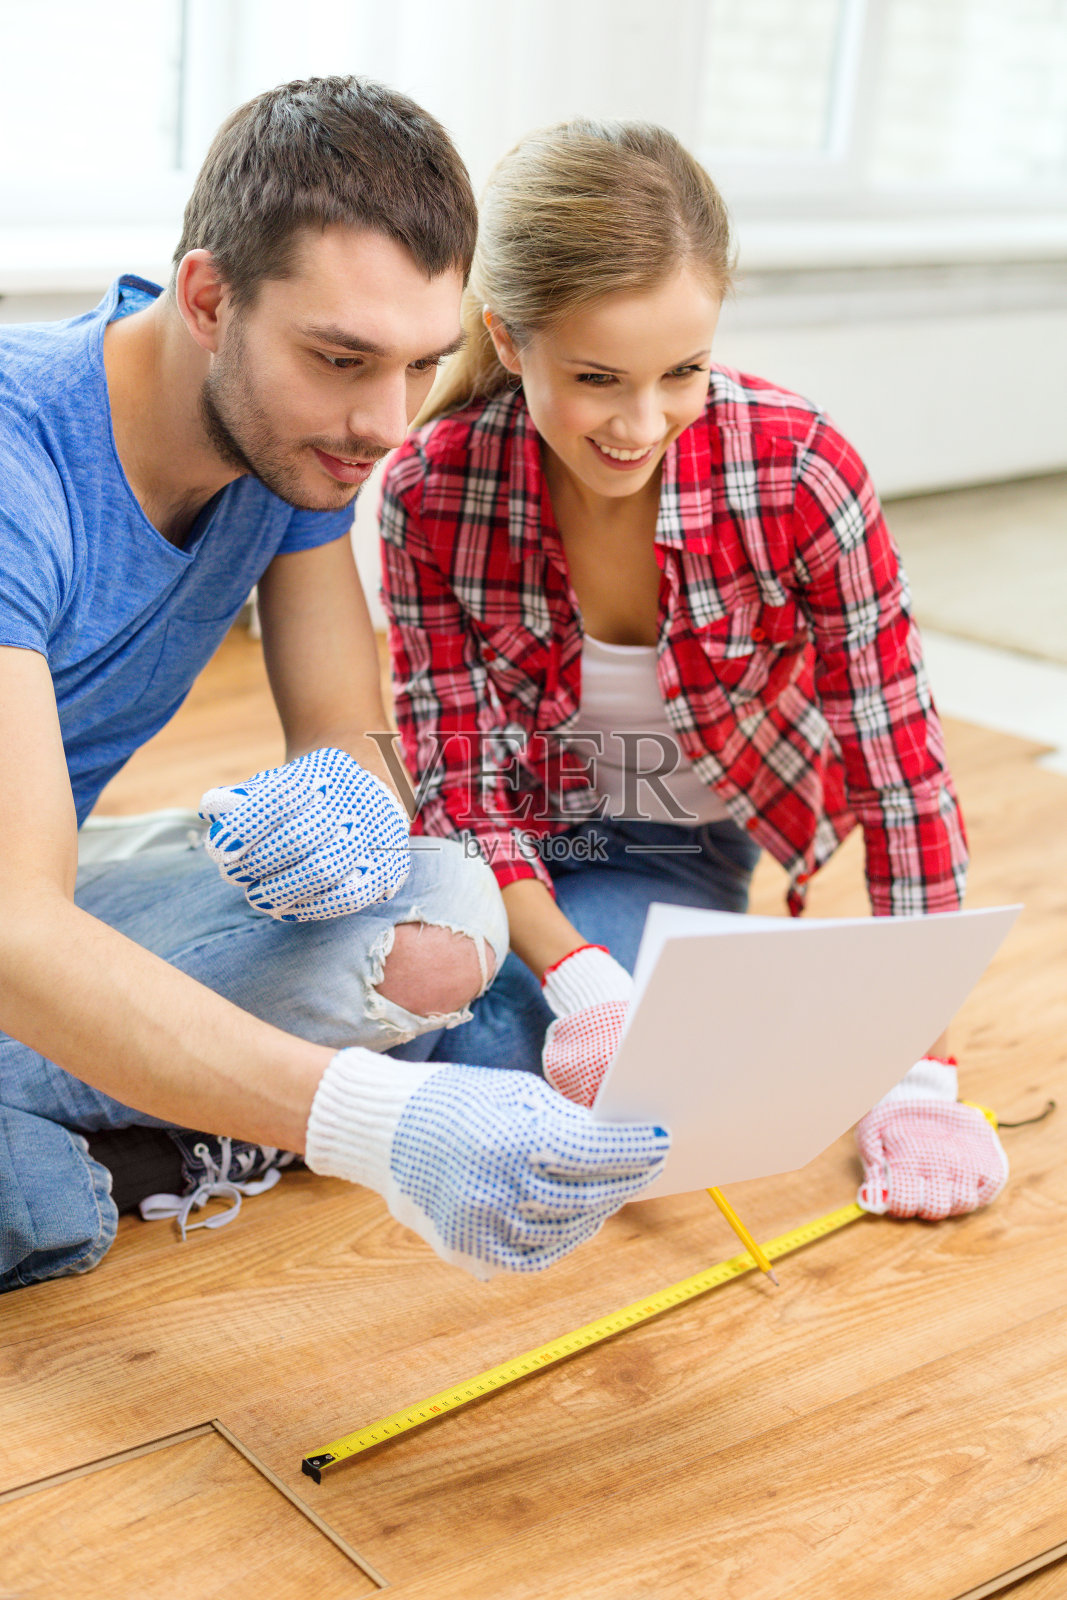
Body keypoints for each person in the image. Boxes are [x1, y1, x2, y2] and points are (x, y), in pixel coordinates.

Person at [0, 80, 669, 1293]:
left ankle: (154, 1090)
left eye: (420, 364)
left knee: (439, 915)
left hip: (31, 876)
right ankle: (134, 1113)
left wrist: (353, 814)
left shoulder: (294, 442)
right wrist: (377, 1126)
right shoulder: (14, 462)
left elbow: (347, 733)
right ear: (208, 299)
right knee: (41, 1217)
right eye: (341, 359)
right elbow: (14, 925)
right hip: (12, 915)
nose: (381, 422)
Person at [380, 118, 1009, 1224]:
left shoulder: (800, 475)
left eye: (682, 371)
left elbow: (898, 773)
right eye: (595, 377)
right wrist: (578, 977)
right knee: (384, 1005)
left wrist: (923, 1070)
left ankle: (699, 988)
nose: (640, 423)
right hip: (505, 842)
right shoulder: (430, 493)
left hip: (680, 842)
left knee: (485, 1065)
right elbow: (463, 786)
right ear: (506, 336)